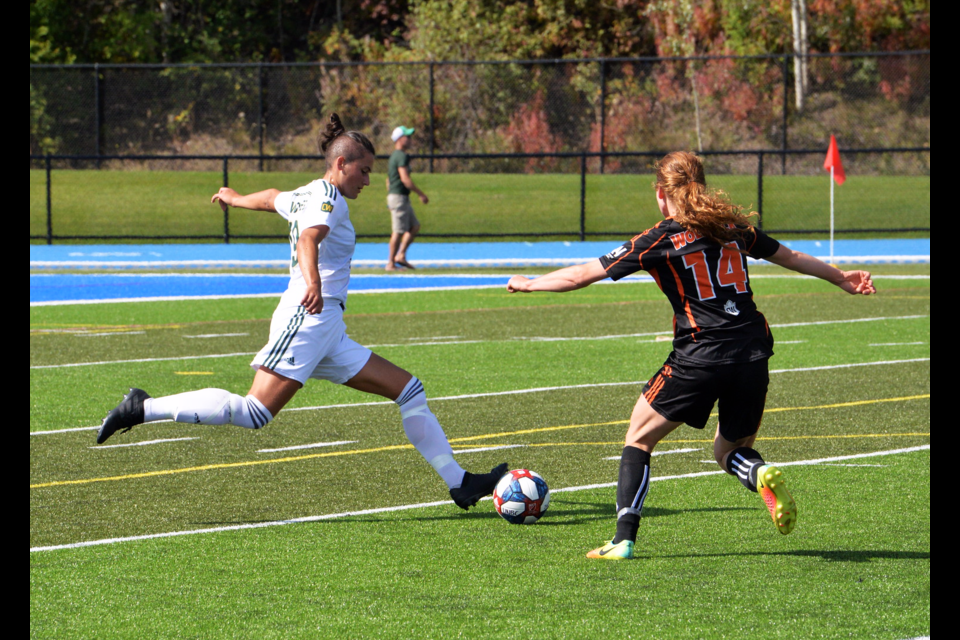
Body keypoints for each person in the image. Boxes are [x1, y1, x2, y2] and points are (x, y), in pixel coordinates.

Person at [97, 113, 506, 510]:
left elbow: (273, 197)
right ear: (341, 163)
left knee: (409, 390)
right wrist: (313, 283)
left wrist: (235, 198)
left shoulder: (309, 193)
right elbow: (309, 239)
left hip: (327, 327)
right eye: (363, 171)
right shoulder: (327, 198)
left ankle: (460, 483)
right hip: (309, 317)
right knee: (254, 412)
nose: (367, 180)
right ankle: (142, 407)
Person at [507, 151, 876, 559]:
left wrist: (528, 283)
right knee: (730, 450)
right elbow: (788, 256)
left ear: (662, 193)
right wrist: (842, 277)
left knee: (638, 438)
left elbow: (582, 275)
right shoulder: (732, 227)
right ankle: (758, 472)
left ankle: (623, 539)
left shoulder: (659, 238)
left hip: (700, 354)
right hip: (753, 350)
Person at [385, 125, 428, 271]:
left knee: (414, 226)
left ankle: (400, 255)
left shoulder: (395, 156)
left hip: (400, 197)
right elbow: (405, 179)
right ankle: (390, 263)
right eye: (407, 137)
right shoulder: (400, 156)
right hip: (399, 197)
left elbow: (388, 180)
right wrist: (420, 193)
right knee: (398, 231)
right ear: (399, 139)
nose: (409, 140)